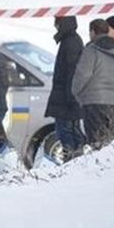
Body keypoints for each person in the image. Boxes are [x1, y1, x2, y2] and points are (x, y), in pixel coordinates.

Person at [71, 19, 114, 149]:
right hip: (113, 102)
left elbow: (83, 75)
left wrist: (75, 92)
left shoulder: (91, 50)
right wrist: (111, 88)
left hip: (92, 102)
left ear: (93, 32)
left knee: (95, 144)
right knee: (108, 144)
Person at [44, 16, 85, 162]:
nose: (55, 26)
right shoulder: (71, 40)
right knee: (69, 132)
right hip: (66, 98)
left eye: (56, 22)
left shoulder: (70, 42)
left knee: (66, 133)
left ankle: (73, 163)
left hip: (66, 99)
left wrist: (71, 98)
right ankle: (75, 162)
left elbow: (72, 73)